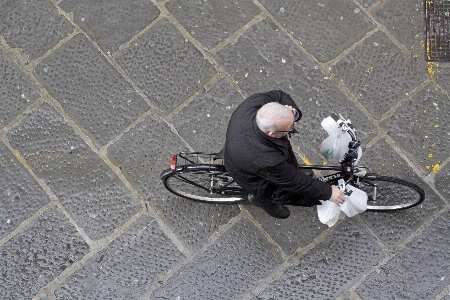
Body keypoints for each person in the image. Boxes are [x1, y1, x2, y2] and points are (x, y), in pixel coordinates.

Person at [223, 90, 345, 219]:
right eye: (290, 127)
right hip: (252, 175)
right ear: (272, 134)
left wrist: (291, 109)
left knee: (289, 168)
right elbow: (294, 181)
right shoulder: (266, 159)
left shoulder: (254, 103)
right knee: (291, 193)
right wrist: (329, 192)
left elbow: (279, 95)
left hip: (239, 148)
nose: (294, 125)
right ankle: (261, 199)